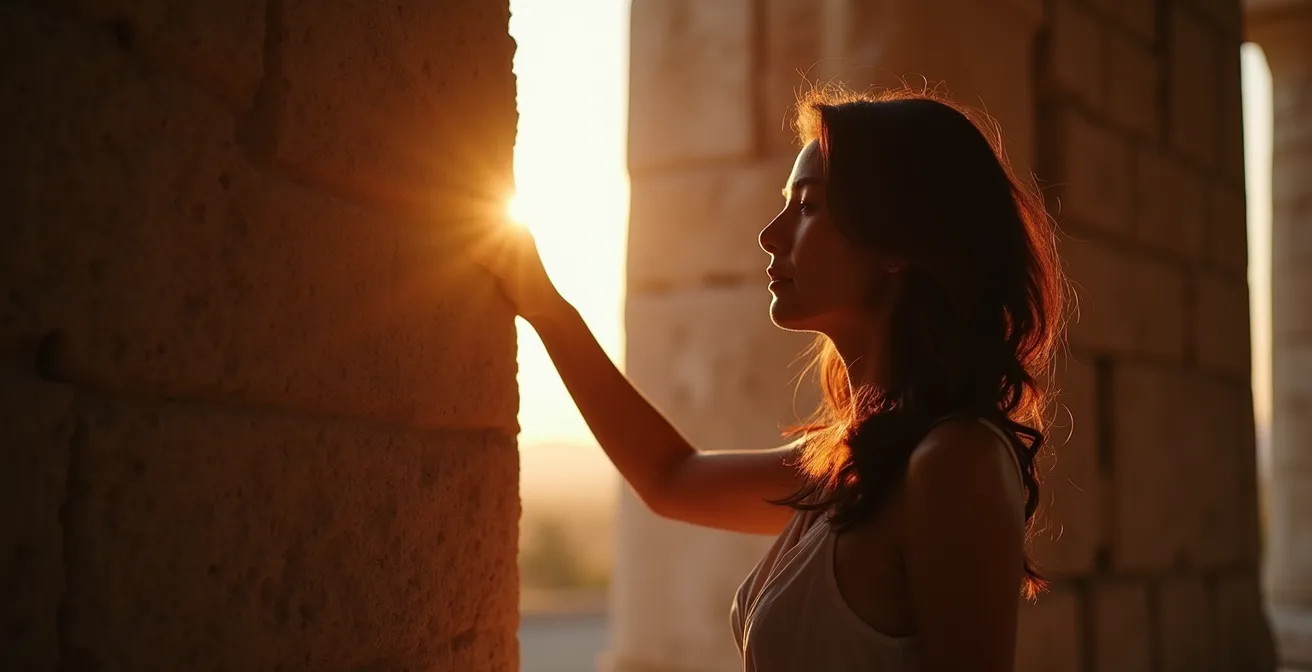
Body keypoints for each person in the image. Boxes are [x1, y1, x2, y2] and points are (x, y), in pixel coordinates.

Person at [477, 85, 1069, 672]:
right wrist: (549, 312)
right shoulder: (851, 464)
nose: (771, 234)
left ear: (896, 243)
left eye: (807, 206)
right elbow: (670, 479)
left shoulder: (953, 460)